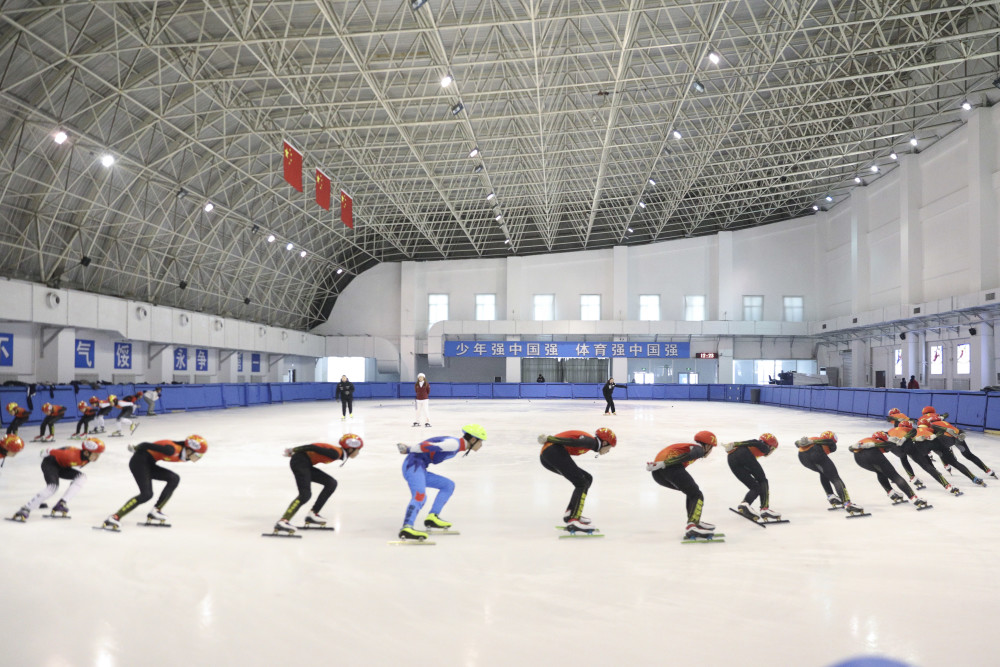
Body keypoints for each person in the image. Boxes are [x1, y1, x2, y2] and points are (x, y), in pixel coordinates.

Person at [396, 424, 487, 541]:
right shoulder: (454, 444)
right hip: (413, 466)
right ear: (473, 439)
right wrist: (408, 449)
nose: (481, 445)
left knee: (448, 485)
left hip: (420, 468)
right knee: (420, 496)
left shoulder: (457, 446)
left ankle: (432, 517)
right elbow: (427, 446)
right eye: (481, 441)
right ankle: (407, 528)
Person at [101, 435, 208, 530]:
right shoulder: (171, 450)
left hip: (149, 463)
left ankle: (156, 511)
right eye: (197, 455)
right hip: (139, 462)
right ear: (189, 450)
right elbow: (145, 444)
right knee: (146, 494)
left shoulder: (182, 453)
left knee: (174, 478)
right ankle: (115, 517)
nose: (196, 458)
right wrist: (135, 448)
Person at [273, 433, 364, 534]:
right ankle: (283, 521)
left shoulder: (337, 453)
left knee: (331, 483)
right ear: (350, 449)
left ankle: (313, 514)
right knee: (305, 495)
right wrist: (294, 450)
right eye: (358, 450)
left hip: (305, 463)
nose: (358, 453)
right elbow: (313, 447)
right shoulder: (335, 453)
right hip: (300, 462)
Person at [538, 427, 617, 533]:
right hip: (552, 451)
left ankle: (571, 513)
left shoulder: (591, 443)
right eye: (610, 447)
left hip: (547, 456)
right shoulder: (591, 442)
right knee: (582, 483)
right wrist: (550, 438)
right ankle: (573, 520)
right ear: (604, 443)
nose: (608, 451)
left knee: (587, 478)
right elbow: (573, 442)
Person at [11, 437, 105, 521]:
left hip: (62, 466)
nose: (97, 457)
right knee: (53, 487)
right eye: (96, 455)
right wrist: (43, 454)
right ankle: (25, 509)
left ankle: (61, 503)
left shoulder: (86, 458)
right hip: (50, 463)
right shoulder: (70, 454)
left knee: (82, 477)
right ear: (86, 452)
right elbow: (48, 450)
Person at [646, 431, 718, 538]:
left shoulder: (689, 446)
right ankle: (693, 526)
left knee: (691, 492)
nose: (711, 451)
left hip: (658, 474)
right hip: (670, 468)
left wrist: (661, 464)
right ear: (706, 445)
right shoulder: (698, 449)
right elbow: (690, 455)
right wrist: (664, 463)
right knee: (696, 494)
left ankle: (694, 522)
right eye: (711, 448)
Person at [849, 431, 928, 507]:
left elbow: (851, 448)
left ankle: (891, 493)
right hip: (872, 454)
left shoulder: (866, 440)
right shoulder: (880, 442)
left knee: (880, 472)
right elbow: (887, 446)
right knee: (895, 476)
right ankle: (914, 498)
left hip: (859, 459)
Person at [794, 431, 863, 513]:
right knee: (835, 478)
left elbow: (796, 443)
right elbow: (830, 444)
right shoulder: (824, 441)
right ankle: (847, 503)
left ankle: (831, 495)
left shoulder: (812, 439)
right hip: (816, 454)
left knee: (823, 473)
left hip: (803, 458)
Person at [919, 411, 996, 480]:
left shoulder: (927, 422)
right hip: (957, 435)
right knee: (969, 455)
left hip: (948, 438)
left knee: (938, 447)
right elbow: (945, 415)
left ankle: (947, 465)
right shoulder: (939, 417)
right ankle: (988, 470)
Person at [726, 433, 781, 520]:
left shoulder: (754, 449)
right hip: (743, 454)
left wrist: (736, 445)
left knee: (755, 487)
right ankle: (764, 509)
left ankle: (745, 504)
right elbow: (755, 442)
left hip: (730, 458)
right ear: (771, 446)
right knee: (763, 480)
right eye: (773, 449)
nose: (771, 451)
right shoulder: (764, 447)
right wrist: (737, 443)